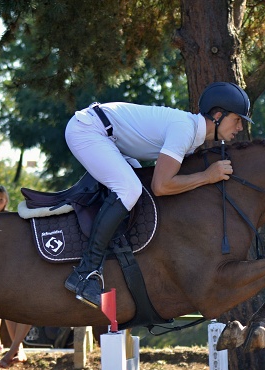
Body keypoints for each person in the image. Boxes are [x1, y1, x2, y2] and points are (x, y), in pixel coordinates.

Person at [63, 82, 252, 308]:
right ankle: (85, 273)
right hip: (87, 130)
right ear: (218, 116)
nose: (240, 127)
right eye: (237, 119)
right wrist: (207, 176)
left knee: (138, 192)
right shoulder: (185, 130)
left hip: (108, 137)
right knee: (130, 190)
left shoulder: (192, 136)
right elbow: (161, 186)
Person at [0, 185, 33, 368]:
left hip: (12, 267)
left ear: (6, 201)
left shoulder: (11, 219)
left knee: (16, 308)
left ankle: (15, 348)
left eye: (1, 199)